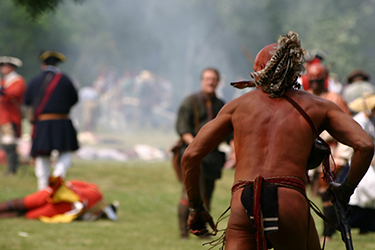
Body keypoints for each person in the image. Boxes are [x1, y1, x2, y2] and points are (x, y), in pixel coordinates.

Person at [181, 31, 374, 250]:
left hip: (243, 203)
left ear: (257, 73)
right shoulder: (318, 106)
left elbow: (190, 155)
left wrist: (196, 208)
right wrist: (345, 189)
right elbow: (365, 145)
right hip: (289, 203)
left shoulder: (237, 107)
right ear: (296, 73)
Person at [175, 67, 230, 239]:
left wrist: (235, 150)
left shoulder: (221, 105)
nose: (210, 82)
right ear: (202, 81)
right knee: (189, 195)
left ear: (218, 82)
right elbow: (183, 129)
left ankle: (202, 231)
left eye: (214, 79)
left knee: (208, 196)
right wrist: (197, 147)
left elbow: (229, 133)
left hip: (212, 158)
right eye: (207, 79)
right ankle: (184, 234)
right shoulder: (189, 102)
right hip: (193, 156)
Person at [304, 62, 352, 240]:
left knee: (327, 190)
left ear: (325, 78)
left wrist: (341, 157)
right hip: (307, 151)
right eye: (313, 79)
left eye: (319, 79)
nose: (315, 82)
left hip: (329, 151)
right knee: (298, 189)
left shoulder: (335, 98)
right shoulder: (303, 97)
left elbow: (347, 129)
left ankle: (328, 232)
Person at [24, 51, 79, 190]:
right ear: (57, 64)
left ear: (43, 64)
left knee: (42, 156)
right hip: (62, 122)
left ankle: (43, 188)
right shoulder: (65, 79)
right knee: (66, 152)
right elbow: (74, 99)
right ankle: (58, 176)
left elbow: (27, 101)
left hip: (42, 123)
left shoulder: (35, 80)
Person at [0, 176, 118, 222]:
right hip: (63, 203)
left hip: (60, 196)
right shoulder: (95, 208)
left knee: (23, 204)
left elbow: (71, 183)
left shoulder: (95, 190)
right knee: (26, 213)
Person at [0, 56, 26, 175]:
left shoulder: (17, 80)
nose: (3, 68)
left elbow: (13, 93)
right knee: (4, 142)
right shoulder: (3, 81)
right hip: (2, 116)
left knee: (9, 142)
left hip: (10, 116)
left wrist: (3, 91)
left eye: (5, 66)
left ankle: (12, 168)